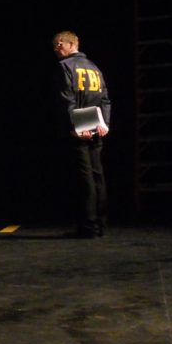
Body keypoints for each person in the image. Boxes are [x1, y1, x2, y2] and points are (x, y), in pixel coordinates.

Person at [53, 30, 111, 237]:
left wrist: (76, 127)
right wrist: (104, 124)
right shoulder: (94, 67)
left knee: (84, 178)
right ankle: (101, 225)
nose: (56, 49)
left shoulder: (65, 66)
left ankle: (88, 226)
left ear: (69, 44)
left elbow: (67, 100)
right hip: (96, 128)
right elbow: (104, 99)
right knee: (97, 175)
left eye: (58, 45)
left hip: (79, 130)